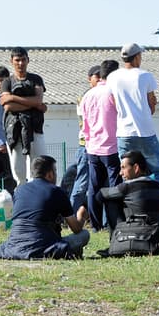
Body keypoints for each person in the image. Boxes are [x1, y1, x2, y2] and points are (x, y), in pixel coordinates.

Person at [0, 156, 90, 260]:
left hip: (15, 246)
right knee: (84, 235)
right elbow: (76, 229)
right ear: (50, 174)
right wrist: (81, 217)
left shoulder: (19, 190)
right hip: (43, 246)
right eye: (55, 171)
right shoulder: (56, 191)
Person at [106, 43, 159, 192]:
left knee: (127, 174)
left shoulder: (113, 77)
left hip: (124, 133)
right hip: (145, 131)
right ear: (136, 57)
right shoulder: (145, 75)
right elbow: (151, 103)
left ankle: (130, 209)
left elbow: (114, 102)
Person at [95, 151, 159, 253]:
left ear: (136, 168)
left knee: (111, 200)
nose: (120, 173)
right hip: (158, 240)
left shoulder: (127, 186)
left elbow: (100, 195)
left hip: (135, 237)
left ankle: (116, 241)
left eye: (123, 167)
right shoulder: (158, 186)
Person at [81, 60, 121, 230]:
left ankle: (96, 225)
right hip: (111, 145)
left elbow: (84, 122)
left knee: (94, 187)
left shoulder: (88, 94)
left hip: (92, 146)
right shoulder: (113, 92)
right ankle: (113, 222)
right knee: (114, 187)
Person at [0, 47, 47, 186]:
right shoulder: (7, 82)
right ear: (12, 61)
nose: (20, 63)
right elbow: (8, 107)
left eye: (23, 60)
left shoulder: (36, 79)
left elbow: (39, 100)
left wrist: (13, 97)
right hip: (15, 130)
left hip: (35, 128)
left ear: (28, 60)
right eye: (17, 60)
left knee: (39, 166)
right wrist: (33, 104)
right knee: (18, 170)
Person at [68, 65, 102, 214]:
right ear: (90, 79)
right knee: (81, 184)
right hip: (86, 145)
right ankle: (71, 216)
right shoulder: (85, 97)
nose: (100, 79)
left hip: (101, 145)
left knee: (100, 185)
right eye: (97, 76)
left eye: (102, 76)